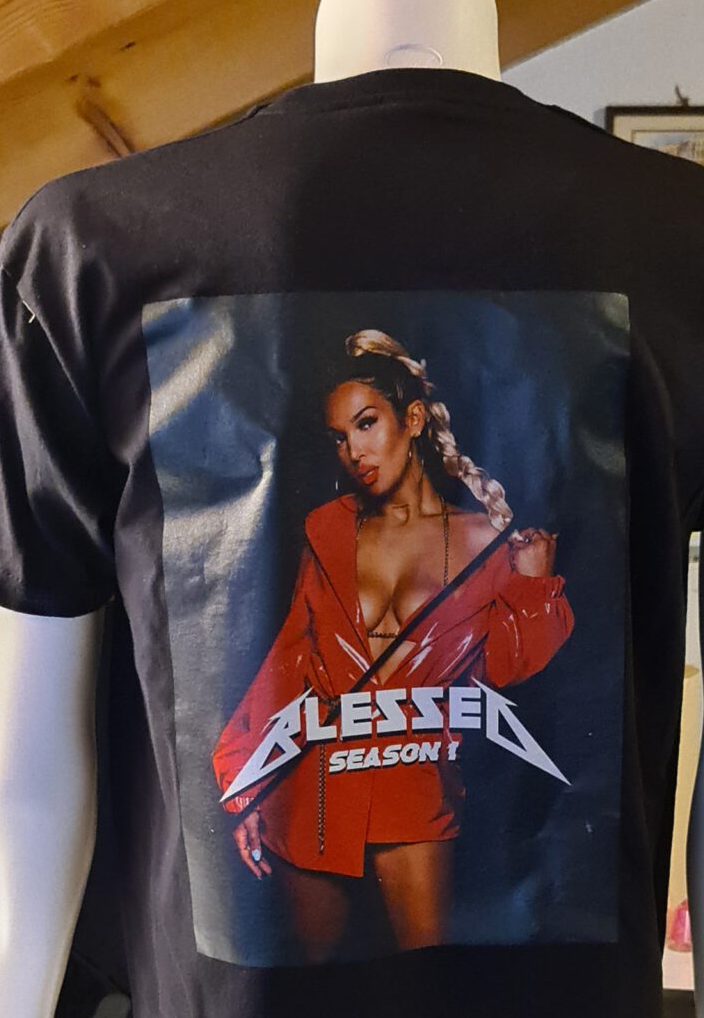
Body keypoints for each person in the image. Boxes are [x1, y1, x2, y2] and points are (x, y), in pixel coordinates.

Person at [211, 327, 574, 956]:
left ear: (412, 420)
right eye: (339, 437)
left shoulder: (485, 540)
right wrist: (247, 784)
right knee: (312, 991)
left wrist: (534, 585)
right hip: (314, 782)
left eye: (366, 423)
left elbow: (509, 666)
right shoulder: (327, 529)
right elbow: (292, 656)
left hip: (413, 781)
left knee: (424, 988)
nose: (353, 451)